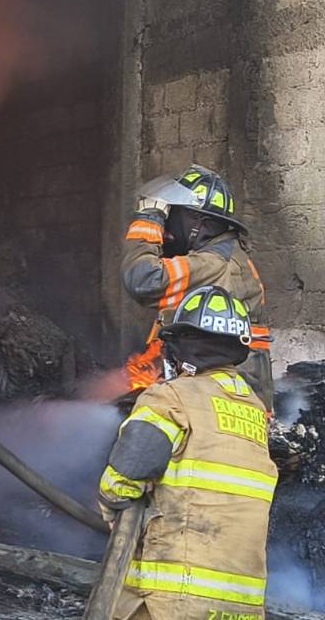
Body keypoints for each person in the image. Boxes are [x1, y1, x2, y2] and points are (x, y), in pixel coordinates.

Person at [98, 285, 276, 619]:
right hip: (242, 605)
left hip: (174, 596)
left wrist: (110, 510)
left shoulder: (172, 397)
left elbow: (127, 472)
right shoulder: (254, 409)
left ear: (184, 346)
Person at [122, 165, 273, 408]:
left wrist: (149, 221)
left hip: (222, 402)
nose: (166, 231)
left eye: (171, 218)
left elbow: (143, 280)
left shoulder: (215, 264)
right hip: (229, 395)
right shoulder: (225, 256)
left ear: (197, 222)